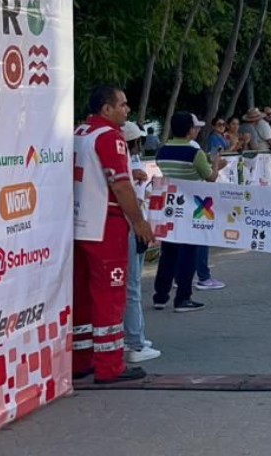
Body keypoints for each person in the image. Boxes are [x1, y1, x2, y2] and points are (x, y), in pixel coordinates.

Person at [71, 86, 154, 383]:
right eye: (122, 104)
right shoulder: (109, 137)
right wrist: (140, 222)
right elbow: (120, 186)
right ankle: (109, 365)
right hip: (105, 225)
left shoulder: (79, 132)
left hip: (78, 224)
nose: (127, 109)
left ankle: (81, 359)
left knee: (81, 295)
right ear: (107, 109)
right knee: (110, 296)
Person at [153, 111, 227, 312]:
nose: (196, 130)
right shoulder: (195, 154)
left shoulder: (162, 151)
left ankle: (160, 295)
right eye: (195, 127)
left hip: (170, 206)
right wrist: (216, 163)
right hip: (192, 207)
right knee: (188, 253)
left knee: (168, 253)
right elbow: (210, 177)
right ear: (188, 129)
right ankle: (183, 297)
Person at [120, 121, 160, 364]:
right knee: (132, 287)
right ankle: (134, 340)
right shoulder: (127, 165)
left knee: (130, 287)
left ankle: (134, 336)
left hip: (128, 225)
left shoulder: (126, 164)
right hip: (131, 226)